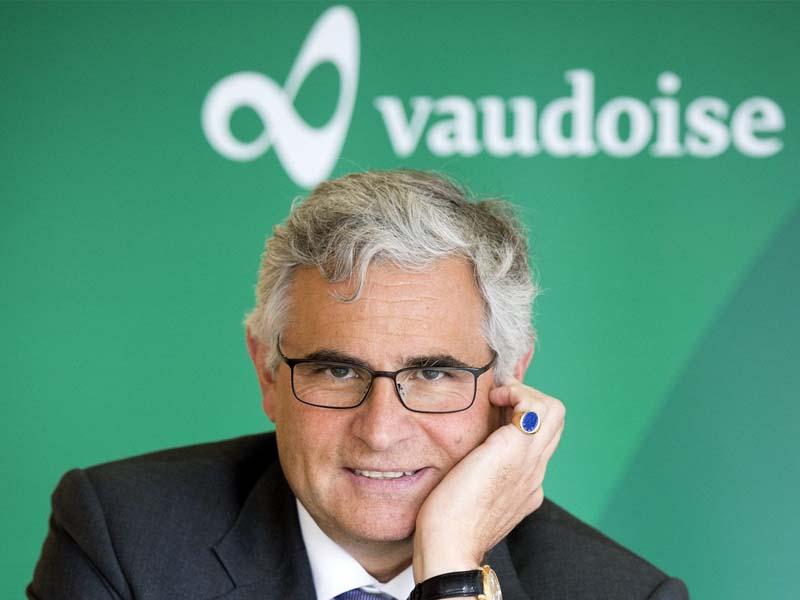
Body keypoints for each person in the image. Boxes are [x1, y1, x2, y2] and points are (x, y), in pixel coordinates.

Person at [28, 170, 688, 600]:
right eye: (337, 370)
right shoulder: (123, 539)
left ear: (510, 378)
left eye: (433, 374)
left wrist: (452, 571)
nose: (380, 431)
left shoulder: (621, 595)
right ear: (267, 372)